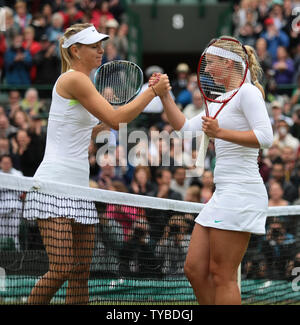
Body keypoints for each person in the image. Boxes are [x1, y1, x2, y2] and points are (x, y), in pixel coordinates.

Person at [24, 23, 170, 305]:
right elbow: (118, 121)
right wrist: (151, 93)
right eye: (94, 46)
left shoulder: (85, 83)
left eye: (101, 45)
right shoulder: (74, 79)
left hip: (79, 185)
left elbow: (93, 129)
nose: (101, 50)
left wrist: (105, 112)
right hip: (54, 183)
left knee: (80, 272)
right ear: (75, 50)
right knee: (63, 268)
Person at [150, 36, 273, 305]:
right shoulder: (219, 100)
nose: (205, 70)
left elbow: (265, 137)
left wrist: (220, 132)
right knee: (193, 270)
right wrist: (164, 95)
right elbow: (183, 128)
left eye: (211, 63)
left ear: (228, 63)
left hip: (241, 192)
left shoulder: (248, 92)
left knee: (223, 275)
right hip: (223, 194)